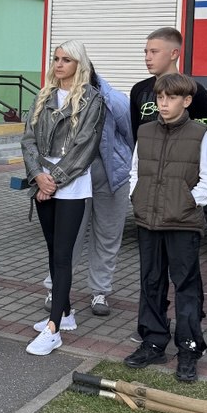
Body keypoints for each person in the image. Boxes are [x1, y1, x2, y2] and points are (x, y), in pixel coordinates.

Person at [123, 73, 207, 382]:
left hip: (182, 223)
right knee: (151, 282)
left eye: (171, 98)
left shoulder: (199, 134)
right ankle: (153, 341)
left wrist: (185, 203)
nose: (164, 103)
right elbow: (135, 170)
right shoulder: (145, 131)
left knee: (186, 286)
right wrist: (136, 197)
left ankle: (189, 348)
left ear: (186, 101)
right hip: (148, 220)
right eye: (160, 98)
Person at [22, 42, 105, 356]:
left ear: (79, 64)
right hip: (43, 181)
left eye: (65, 59)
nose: (58, 64)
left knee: (63, 255)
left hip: (70, 186)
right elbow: (28, 138)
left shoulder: (92, 100)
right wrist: (37, 176)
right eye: (55, 59)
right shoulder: (43, 95)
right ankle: (66, 313)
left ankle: (54, 327)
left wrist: (51, 181)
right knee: (52, 249)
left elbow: (85, 147)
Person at [73, 71, 134, 317]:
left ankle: (100, 291)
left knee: (108, 235)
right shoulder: (59, 99)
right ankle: (56, 288)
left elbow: (130, 136)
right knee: (69, 236)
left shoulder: (115, 100)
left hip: (112, 176)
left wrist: (124, 164)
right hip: (74, 177)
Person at [130, 27, 207, 151]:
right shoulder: (138, 90)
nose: (147, 57)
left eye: (154, 52)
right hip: (148, 165)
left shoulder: (195, 90)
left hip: (183, 165)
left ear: (174, 53)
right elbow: (135, 137)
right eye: (146, 52)